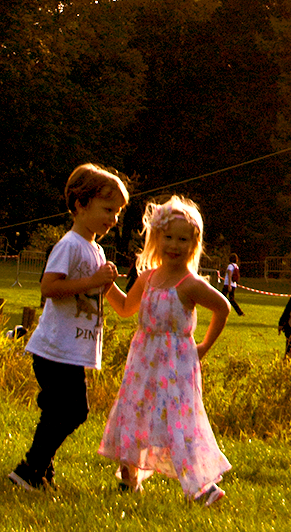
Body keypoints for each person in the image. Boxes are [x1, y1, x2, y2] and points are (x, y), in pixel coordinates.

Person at [98, 195, 231, 505]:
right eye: (168, 237)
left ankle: (201, 484)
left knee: (179, 422)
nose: (174, 245)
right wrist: (106, 285)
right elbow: (127, 308)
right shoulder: (148, 278)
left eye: (182, 239)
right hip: (143, 358)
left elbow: (222, 308)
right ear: (156, 239)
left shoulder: (190, 283)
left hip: (177, 363)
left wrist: (204, 346)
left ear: (194, 243)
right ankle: (128, 476)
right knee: (135, 410)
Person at [9, 163, 130, 492]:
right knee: (74, 410)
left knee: (59, 411)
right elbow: (48, 287)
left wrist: (148, 289)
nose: (113, 219)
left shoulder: (96, 249)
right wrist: (92, 280)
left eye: (117, 213)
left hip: (72, 349)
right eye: (107, 209)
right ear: (80, 205)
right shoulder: (70, 244)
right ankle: (30, 469)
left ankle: (40, 471)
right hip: (54, 348)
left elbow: (119, 303)